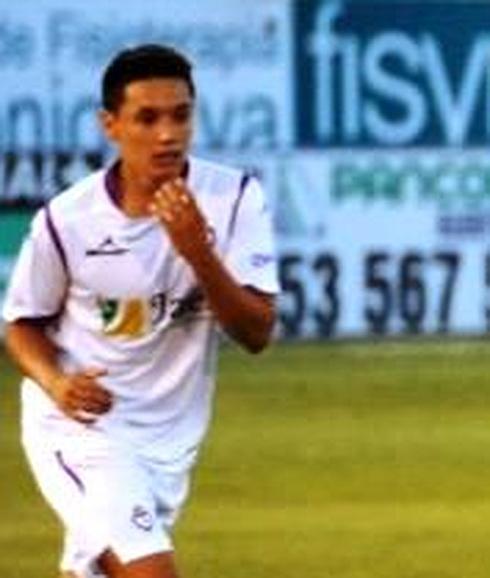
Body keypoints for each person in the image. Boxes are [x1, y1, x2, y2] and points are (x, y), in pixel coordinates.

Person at [2, 44, 279, 578]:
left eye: (181, 115)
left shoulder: (234, 199)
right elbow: (21, 323)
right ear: (110, 125)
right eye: (147, 118)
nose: (168, 134)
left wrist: (198, 253)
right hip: (82, 430)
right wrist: (57, 384)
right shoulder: (68, 221)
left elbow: (256, 332)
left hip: (168, 440)